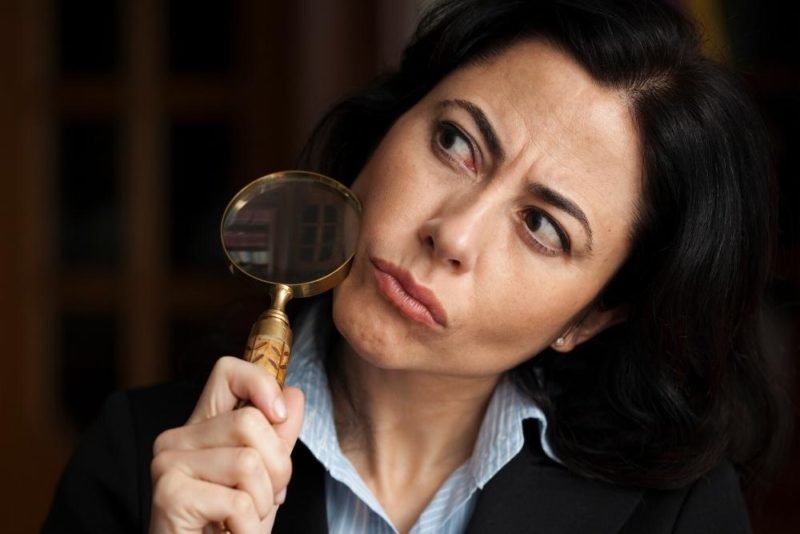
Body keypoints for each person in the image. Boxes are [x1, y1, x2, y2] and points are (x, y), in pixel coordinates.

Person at [44, 0, 781, 532]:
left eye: (542, 227)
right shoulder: (141, 456)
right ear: (390, 124)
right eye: (457, 143)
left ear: (591, 316)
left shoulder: (671, 514)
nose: (452, 233)